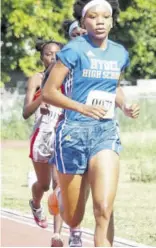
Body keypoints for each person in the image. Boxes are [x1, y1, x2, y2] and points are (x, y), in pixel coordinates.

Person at [42, 0, 140, 246]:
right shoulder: (74, 50)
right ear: (83, 21)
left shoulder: (119, 53)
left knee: (104, 208)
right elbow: (48, 92)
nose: (100, 22)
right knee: (74, 217)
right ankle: (60, 195)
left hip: (105, 131)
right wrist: (81, 107)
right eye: (93, 17)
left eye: (105, 17)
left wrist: (125, 105)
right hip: (73, 132)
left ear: (112, 20)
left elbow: (114, 87)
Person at [45, 19, 88, 247]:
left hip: (96, 130)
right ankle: (64, 229)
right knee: (61, 185)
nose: (81, 34)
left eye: (83, 31)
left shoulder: (99, 58)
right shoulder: (64, 61)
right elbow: (47, 89)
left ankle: (76, 230)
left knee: (89, 190)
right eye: (76, 32)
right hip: (67, 129)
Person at [22, 40, 65, 246]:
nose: (53, 57)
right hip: (41, 136)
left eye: (57, 54)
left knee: (60, 185)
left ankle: (57, 234)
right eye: (48, 54)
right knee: (44, 184)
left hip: (61, 136)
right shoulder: (37, 79)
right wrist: (43, 99)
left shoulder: (66, 79)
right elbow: (26, 112)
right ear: (42, 57)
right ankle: (36, 203)